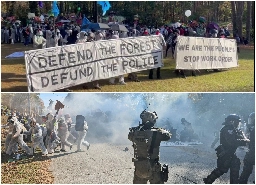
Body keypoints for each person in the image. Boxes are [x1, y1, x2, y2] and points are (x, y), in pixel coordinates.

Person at [203, 114, 250, 184]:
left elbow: (241, 138)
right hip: (226, 154)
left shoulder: (233, 130)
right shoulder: (227, 130)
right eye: (237, 122)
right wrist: (244, 141)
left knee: (235, 169)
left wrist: (243, 137)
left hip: (231, 154)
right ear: (231, 121)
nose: (238, 124)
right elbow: (232, 142)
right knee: (221, 170)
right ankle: (208, 180)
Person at [128, 110, 171, 183]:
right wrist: (160, 129)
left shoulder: (135, 132)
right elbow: (168, 136)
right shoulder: (157, 133)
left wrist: (139, 128)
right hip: (154, 167)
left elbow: (130, 137)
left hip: (140, 166)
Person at [239, 112, 255, 183]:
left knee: (246, 170)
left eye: (252, 119)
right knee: (247, 170)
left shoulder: (254, 130)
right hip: (251, 151)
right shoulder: (252, 129)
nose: (250, 121)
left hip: (252, 152)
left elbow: (250, 141)